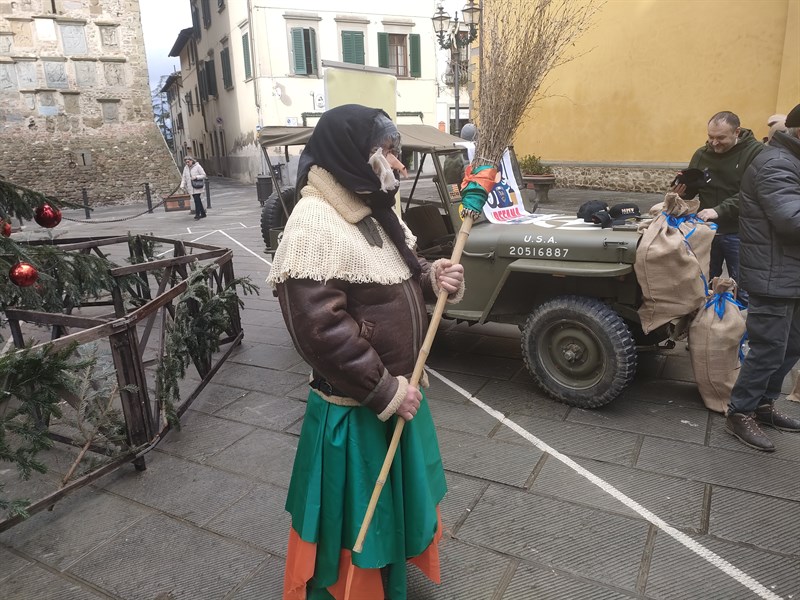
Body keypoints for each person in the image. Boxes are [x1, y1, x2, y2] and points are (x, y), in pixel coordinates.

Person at [267, 104, 464, 599]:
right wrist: (383, 390)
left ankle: (386, 575)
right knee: (354, 517)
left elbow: (399, 269)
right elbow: (319, 330)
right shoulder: (315, 220)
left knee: (388, 511)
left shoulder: (372, 208)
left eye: (397, 152)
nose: (398, 165)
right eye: (389, 152)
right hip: (359, 408)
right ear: (354, 155)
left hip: (395, 394)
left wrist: (431, 276)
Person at [725, 103, 800, 452]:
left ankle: (765, 405)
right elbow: (791, 220)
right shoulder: (776, 164)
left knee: (791, 346)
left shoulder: (791, 161)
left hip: (790, 273)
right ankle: (740, 412)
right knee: (768, 349)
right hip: (774, 274)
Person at [674, 112, 764, 305]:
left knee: (744, 289)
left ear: (737, 132)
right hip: (706, 231)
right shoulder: (701, 154)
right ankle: (706, 328)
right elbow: (693, 190)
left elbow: (752, 192)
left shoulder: (756, 152)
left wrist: (719, 210)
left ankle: (742, 330)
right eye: (710, 137)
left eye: (721, 138)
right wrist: (682, 191)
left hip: (740, 232)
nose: (714, 143)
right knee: (703, 286)